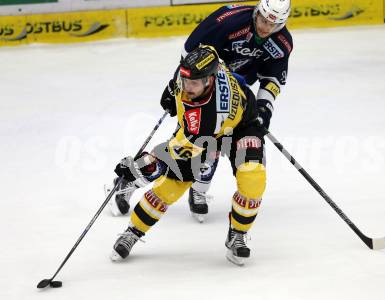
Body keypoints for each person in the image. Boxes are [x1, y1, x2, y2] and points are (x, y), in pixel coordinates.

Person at [111, 0, 292, 222]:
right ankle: (131, 180)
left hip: (232, 95)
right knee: (185, 144)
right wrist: (174, 86)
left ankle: (198, 188)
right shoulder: (227, 23)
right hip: (202, 89)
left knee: (213, 143)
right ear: (256, 13)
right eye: (263, 20)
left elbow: (272, 80)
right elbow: (190, 55)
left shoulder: (282, 43)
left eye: (272, 25)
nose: (265, 28)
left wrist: (264, 110)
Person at [110, 45, 266, 266]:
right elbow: (203, 51)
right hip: (203, 131)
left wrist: (135, 167)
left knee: (253, 179)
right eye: (184, 81)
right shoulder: (208, 59)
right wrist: (172, 86)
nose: (186, 88)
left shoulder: (205, 119)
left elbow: (166, 154)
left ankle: (237, 234)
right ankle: (133, 232)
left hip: (240, 128)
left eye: (193, 83)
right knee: (170, 189)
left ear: (209, 80)